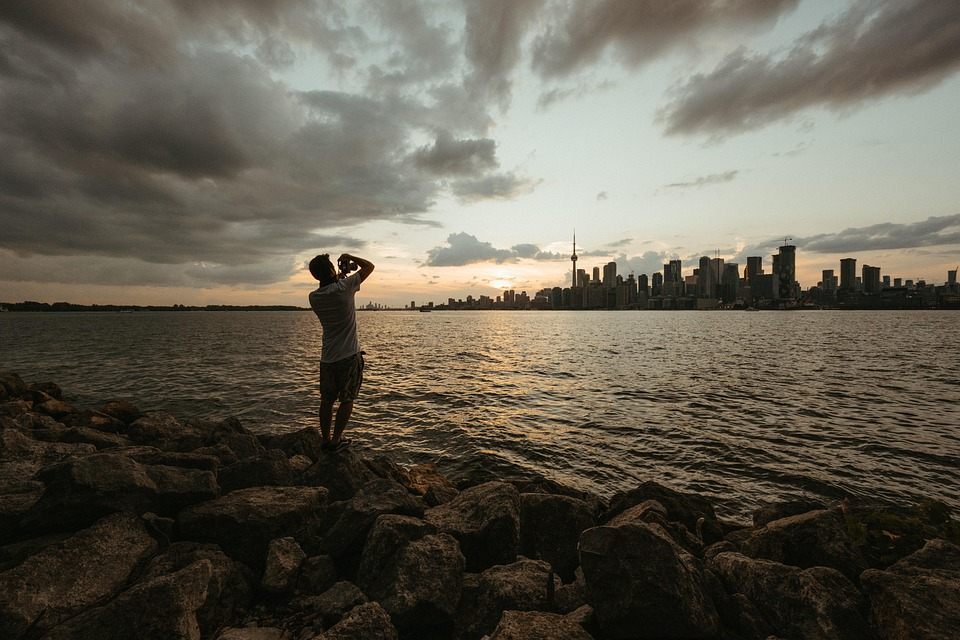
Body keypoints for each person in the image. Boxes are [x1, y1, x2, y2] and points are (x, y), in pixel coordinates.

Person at [308, 252, 375, 451]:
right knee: (347, 399)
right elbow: (369, 266)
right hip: (348, 355)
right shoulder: (345, 287)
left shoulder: (314, 297)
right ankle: (336, 441)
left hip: (328, 358)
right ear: (331, 270)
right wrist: (350, 256)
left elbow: (330, 288)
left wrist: (337, 278)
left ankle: (325, 440)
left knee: (326, 400)